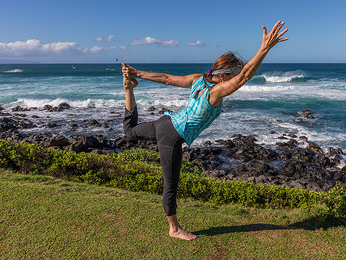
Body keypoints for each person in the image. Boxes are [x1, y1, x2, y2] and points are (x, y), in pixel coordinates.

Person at [122, 20, 288, 241]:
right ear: (222, 76)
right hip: (171, 136)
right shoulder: (216, 92)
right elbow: (245, 77)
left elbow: (167, 79)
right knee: (170, 184)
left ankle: (128, 90)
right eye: (233, 75)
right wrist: (265, 48)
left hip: (166, 122)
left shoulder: (198, 80)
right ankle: (174, 229)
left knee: (130, 132)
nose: (236, 78)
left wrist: (136, 73)